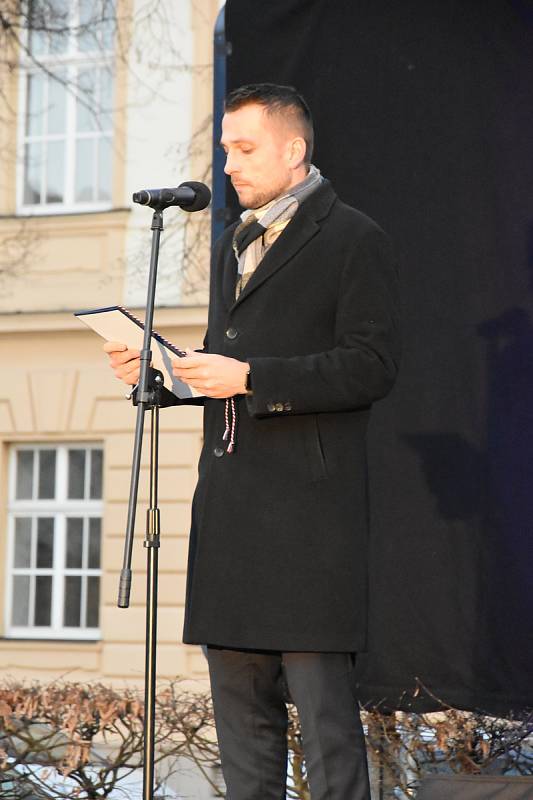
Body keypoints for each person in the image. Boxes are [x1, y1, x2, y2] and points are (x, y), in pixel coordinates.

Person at [105, 83, 401, 800]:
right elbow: (226, 363)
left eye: (245, 148)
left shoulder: (352, 237)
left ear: (293, 150)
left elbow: (371, 365)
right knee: (244, 735)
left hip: (309, 526)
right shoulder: (234, 241)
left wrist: (251, 375)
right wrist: (166, 375)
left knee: (328, 736)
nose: (229, 164)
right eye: (225, 149)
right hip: (233, 515)